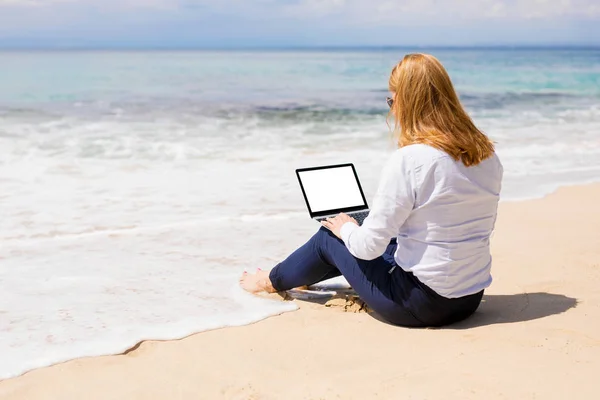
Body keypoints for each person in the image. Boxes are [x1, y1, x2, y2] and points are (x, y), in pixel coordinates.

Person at [239, 53, 503, 327]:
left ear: (408, 102)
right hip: (469, 298)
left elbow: (366, 249)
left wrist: (344, 227)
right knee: (383, 237)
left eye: (393, 100)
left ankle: (270, 280)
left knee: (329, 236)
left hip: (419, 305)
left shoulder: (410, 159)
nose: (392, 108)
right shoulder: (486, 154)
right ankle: (300, 275)